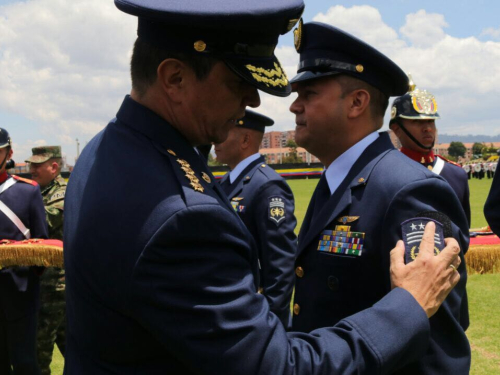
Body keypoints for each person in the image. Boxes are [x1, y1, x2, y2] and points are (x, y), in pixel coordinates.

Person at [63, 2, 462, 374]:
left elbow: (438, 352)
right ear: (175, 78)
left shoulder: (108, 150)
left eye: (309, 93)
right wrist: (407, 306)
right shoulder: (178, 211)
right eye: (239, 80)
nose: (255, 98)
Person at [289, 22, 470, 374]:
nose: (295, 107)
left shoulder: (408, 190)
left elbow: (436, 342)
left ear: (357, 102)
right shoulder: (338, 180)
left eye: (309, 94)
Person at [214, 110, 297, 327]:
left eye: (225, 131)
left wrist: (270, 322)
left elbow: (281, 263)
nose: (216, 139)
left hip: (256, 316)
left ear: (245, 140)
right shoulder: (226, 182)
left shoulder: (267, 186)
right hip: (232, 306)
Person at [389, 82, 471, 226]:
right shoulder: (386, 173)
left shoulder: (456, 175)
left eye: (431, 121)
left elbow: (463, 232)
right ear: (397, 129)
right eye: (417, 122)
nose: (427, 128)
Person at [0, 128, 48, 374]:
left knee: (25, 364)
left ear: (8, 153)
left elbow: (42, 244)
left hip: (19, 292)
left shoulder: (27, 191)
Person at [26, 146, 67, 375]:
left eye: (37, 166)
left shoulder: (62, 192)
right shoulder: (38, 191)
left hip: (55, 285)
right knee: (71, 344)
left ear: (53, 167)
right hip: (47, 282)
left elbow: (49, 221)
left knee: (38, 351)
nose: (32, 170)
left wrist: (20, 205)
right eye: (31, 165)